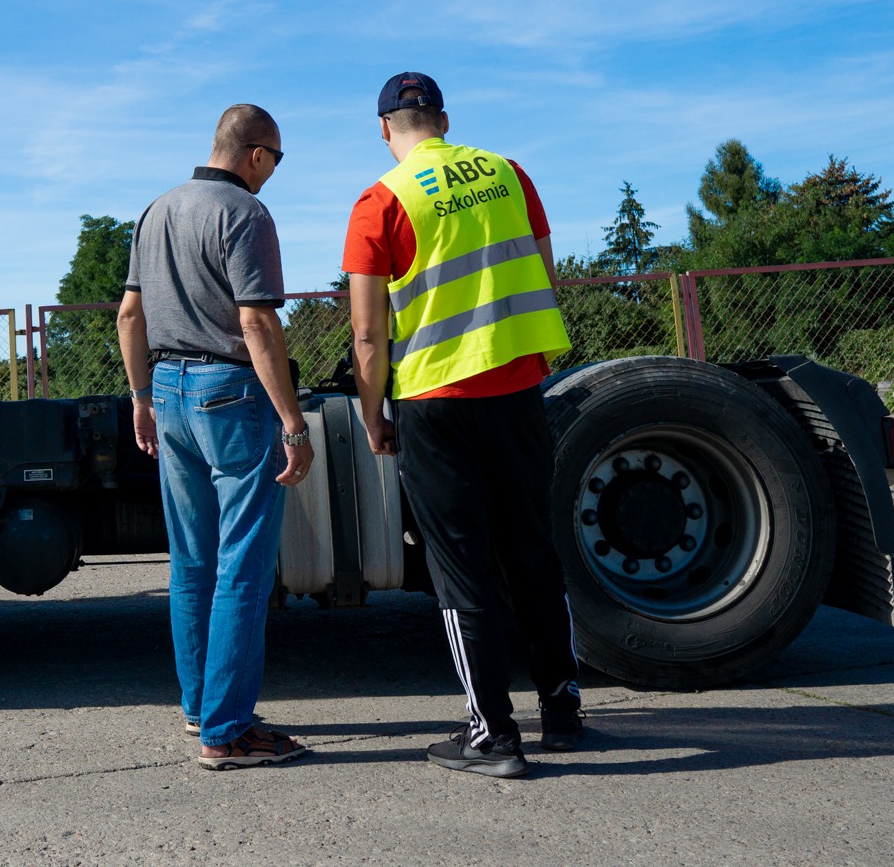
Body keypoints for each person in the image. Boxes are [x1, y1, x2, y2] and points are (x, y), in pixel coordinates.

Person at [343, 72, 581, 779]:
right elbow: (541, 269)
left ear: (385, 129)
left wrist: (371, 413)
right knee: (533, 552)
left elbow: (365, 333)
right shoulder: (511, 174)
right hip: (516, 391)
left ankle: (493, 735)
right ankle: (563, 711)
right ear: (442, 119)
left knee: (462, 570)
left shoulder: (380, 201)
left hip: (435, 402)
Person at [117, 104, 315, 770]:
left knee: (193, 561)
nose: (274, 173)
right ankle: (227, 732)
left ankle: (201, 704)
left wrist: (141, 396)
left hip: (168, 390)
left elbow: (129, 314)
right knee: (245, 566)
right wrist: (292, 420)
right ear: (256, 153)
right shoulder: (246, 214)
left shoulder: (156, 210)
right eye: (277, 159)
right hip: (229, 392)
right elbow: (257, 324)